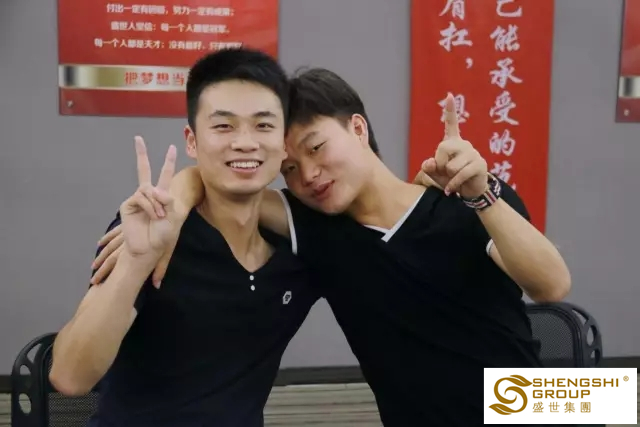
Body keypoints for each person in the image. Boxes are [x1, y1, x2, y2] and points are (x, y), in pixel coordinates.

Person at [93, 67, 571, 426]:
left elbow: (551, 285)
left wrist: (480, 195)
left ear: (357, 129)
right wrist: (177, 201)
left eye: (316, 148)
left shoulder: (466, 198)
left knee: (599, 400)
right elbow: (219, 183)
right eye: (290, 169)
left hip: (533, 404)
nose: (309, 175)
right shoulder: (319, 230)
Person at [48, 48, 320, 427]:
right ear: (192, 141)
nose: (245, 142)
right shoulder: (153, 227)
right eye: (223, 126)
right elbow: (69, 377)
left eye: (263, 125)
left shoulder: (302, 249)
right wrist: (136, 263)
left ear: (284, 141)